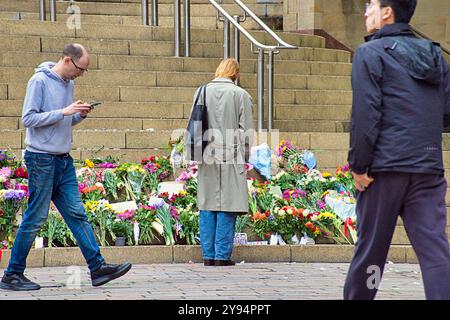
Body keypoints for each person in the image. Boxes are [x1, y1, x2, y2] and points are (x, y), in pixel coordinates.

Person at [0, 44, 132, 291]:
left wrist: (78, 115)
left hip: (62, 160)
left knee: (77, 214)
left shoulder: (68, 83)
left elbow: (62, 122)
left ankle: (97, 268)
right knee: (35, 218)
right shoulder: (38, 81)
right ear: (68, 61)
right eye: (81, 69)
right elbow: (28, 119)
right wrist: (63, 111)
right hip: (41, 159)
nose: (81, 74)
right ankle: (12, 275)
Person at [344, 0, 450, 300]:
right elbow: (446, 112)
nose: (366, 12)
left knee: (371, 253)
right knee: (434, 252)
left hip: (384, 170)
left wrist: (359, 166)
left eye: (370, 5)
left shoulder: (369, 53)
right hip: (428, 167)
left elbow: (366, 114)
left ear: (387, 12)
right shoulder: (435, 54)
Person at [186, 58, 254, 266]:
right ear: (235, 74)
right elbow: (246, 132)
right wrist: (245, 157)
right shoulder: (241, 95)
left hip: (206, 152)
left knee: (208, 203)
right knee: (228, 204)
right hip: (231, 153)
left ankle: (208, 255)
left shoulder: (201, 91)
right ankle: (222, 256)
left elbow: (193, 124)